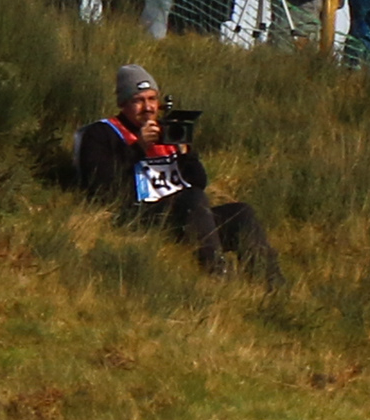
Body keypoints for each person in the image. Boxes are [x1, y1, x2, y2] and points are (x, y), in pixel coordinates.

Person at [77, 65, 276, 279]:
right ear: (122, 104)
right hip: (139, 215)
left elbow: (199, 182)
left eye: (152, 99)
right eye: (138, 100)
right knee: (192, 199)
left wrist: (184, 152)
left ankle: (270, 285)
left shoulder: (169, 131)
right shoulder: (101, 133)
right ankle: (217, 273)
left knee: (241, 213)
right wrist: (138, 149)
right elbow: (101, 186)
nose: (148, 107)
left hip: (189, 215)